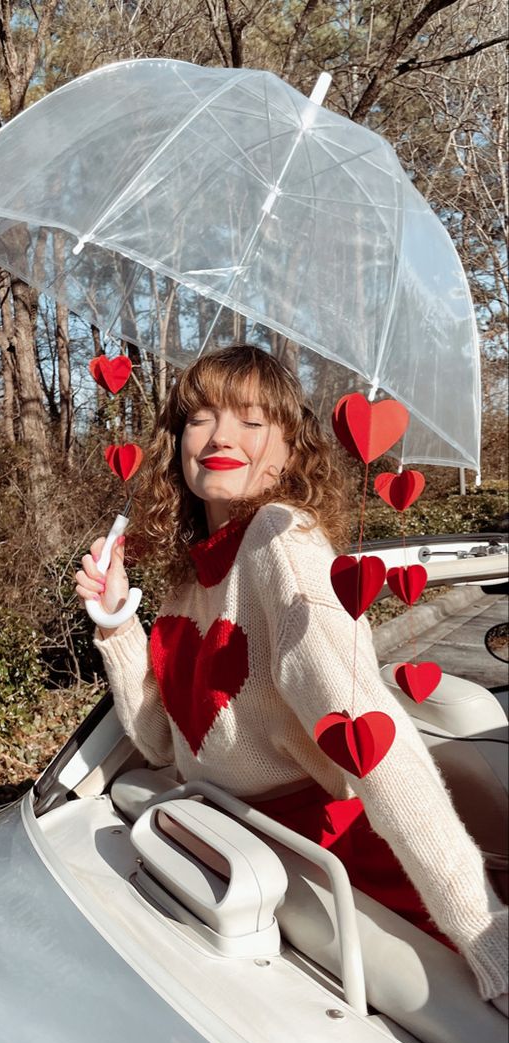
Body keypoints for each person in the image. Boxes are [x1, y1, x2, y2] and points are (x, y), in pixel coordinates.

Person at [75, 344, 508, 1009]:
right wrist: (116, 625)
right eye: (201, 417)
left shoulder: (283, 542)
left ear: (287, 452)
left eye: (253, 420)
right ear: (178, 443)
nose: (221, 435)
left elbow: (378, 742)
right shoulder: (191, 578)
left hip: (349, 876)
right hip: (245, 865)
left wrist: (481, 925)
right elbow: (164, 745)